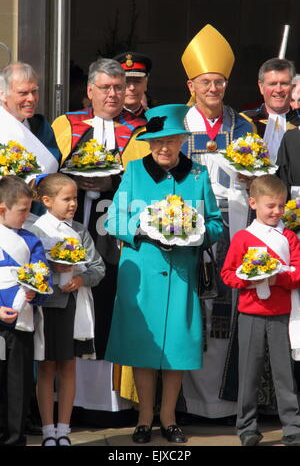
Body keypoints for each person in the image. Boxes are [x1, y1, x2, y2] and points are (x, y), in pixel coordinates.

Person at [104, 104, 223, 443]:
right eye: (157, 142)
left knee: (177, 347)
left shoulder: (198, 176)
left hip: (182, 275)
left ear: (184, 140)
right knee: (143, 347)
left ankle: (168, 417)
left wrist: (200, 234)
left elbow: (215, 223)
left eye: (171, 140)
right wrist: (139, 227)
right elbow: (112, 220)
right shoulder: (134, 171)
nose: (164, 148)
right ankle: (144, 418)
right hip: (141, 275)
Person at [52, 58, 146, 424]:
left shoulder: (139, 130)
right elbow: (48, 172)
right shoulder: (66, 125)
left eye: (118, 88)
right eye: (105, 87)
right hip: (71, 228)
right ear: (89, 90)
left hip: (115, 236)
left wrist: (113, 183)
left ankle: (111, 404)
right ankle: (67, 403)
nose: (112, 94)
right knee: (67, 304)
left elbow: (144, 183)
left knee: (109, 305)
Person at [178, 24, 253, 421]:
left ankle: (224, 404)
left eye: (220, 82)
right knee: (194, 315)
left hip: (233, 229)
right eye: (206, 81)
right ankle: (188, 404)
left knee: (225, 314)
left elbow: (255, 174)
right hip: (189, 232)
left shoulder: (242, 126)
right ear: (191, 84)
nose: (213, 89)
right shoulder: (175, 125)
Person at [221, 174, 300, 446]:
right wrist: (248, 279)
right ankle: (247, 428)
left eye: (281, 206)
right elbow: (228, 274)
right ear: (253, 203)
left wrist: (278, 278)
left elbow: (299, 272)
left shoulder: (288, 237)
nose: (276, 211)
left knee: (285, 375)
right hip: (251, 313)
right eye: (271, 206)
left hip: (281, 314)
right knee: (249, 373)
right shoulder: (243, 238)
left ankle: (292, 427)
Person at [30, 173, 105, 446]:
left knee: (69, 366)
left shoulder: (81, 231)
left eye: (75, 198)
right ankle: (48, 430)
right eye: (67, 199)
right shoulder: (37, 231)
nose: (73, 203)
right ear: (47, 201)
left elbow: (98, 268)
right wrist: (52, 269)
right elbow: (30, 270)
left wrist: (80, 279)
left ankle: (64, 428)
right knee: (47, 367)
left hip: (73, 307)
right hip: (47, 307)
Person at [0, 176, 50, 446]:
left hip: (21, 326)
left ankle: (15, 440)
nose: (27, 215)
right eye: (22, 210)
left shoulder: (32, 240)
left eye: (29, 208)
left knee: (18, 387)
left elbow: (44, 276)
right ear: (2, 209)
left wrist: (37, 289)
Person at [0, 62, 61, 221]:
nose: (31, 99)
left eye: (34, 91)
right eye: (23, 93)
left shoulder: (40, 126)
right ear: (2, 94)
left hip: (41, 218)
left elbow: (53, 164)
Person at [241, 58, 300, 165]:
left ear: (293, 87)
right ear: (261, 87)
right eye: (272, 84)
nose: (278, 90)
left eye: (284, 83)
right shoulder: (243, 121)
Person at [114, 51, 152, 118]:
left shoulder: (154, 121)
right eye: (126, 82)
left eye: (137, 81)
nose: (132, 87)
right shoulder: (104, 121)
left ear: (145, 84)